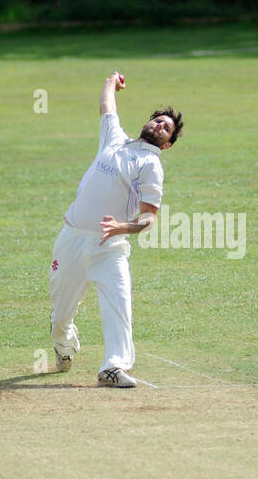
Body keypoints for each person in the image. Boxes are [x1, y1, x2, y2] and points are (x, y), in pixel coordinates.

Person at [49, 71, 183, 387]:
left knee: (119, 306)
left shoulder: (151, 165)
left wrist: (123, 226)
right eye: (159, 121)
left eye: (167, 128)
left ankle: (113, 367)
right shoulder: (115, 139)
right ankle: (64, 343)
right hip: (72, 238)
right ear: (148, 123)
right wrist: (112, 82)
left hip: (110, 246)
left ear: (167, 144)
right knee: (59, 317)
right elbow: (107, 107)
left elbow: (150, 217)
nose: (161, 126)